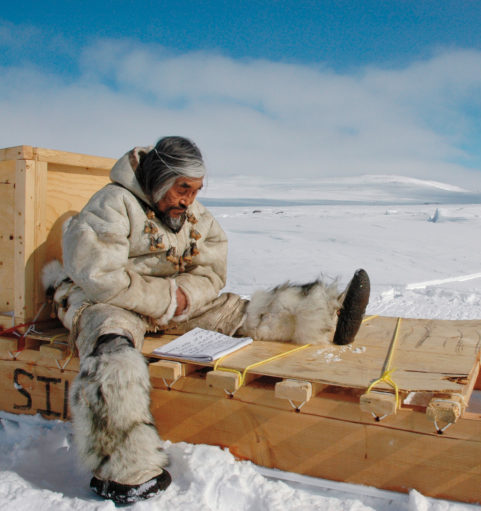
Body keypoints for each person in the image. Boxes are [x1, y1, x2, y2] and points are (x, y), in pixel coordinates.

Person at [42, 136, 370, 504]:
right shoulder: (111, 204)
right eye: (183, 188)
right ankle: (123, 470)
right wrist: (166, 299)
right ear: (160, 178)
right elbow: (100, 275)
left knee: (240, 312)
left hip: (174, 302)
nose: (189, 199)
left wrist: (184, 296)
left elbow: (212, 272)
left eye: (196, 190)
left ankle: (326, 316)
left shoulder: (191, 216)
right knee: (113, 353)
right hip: (109, 303)